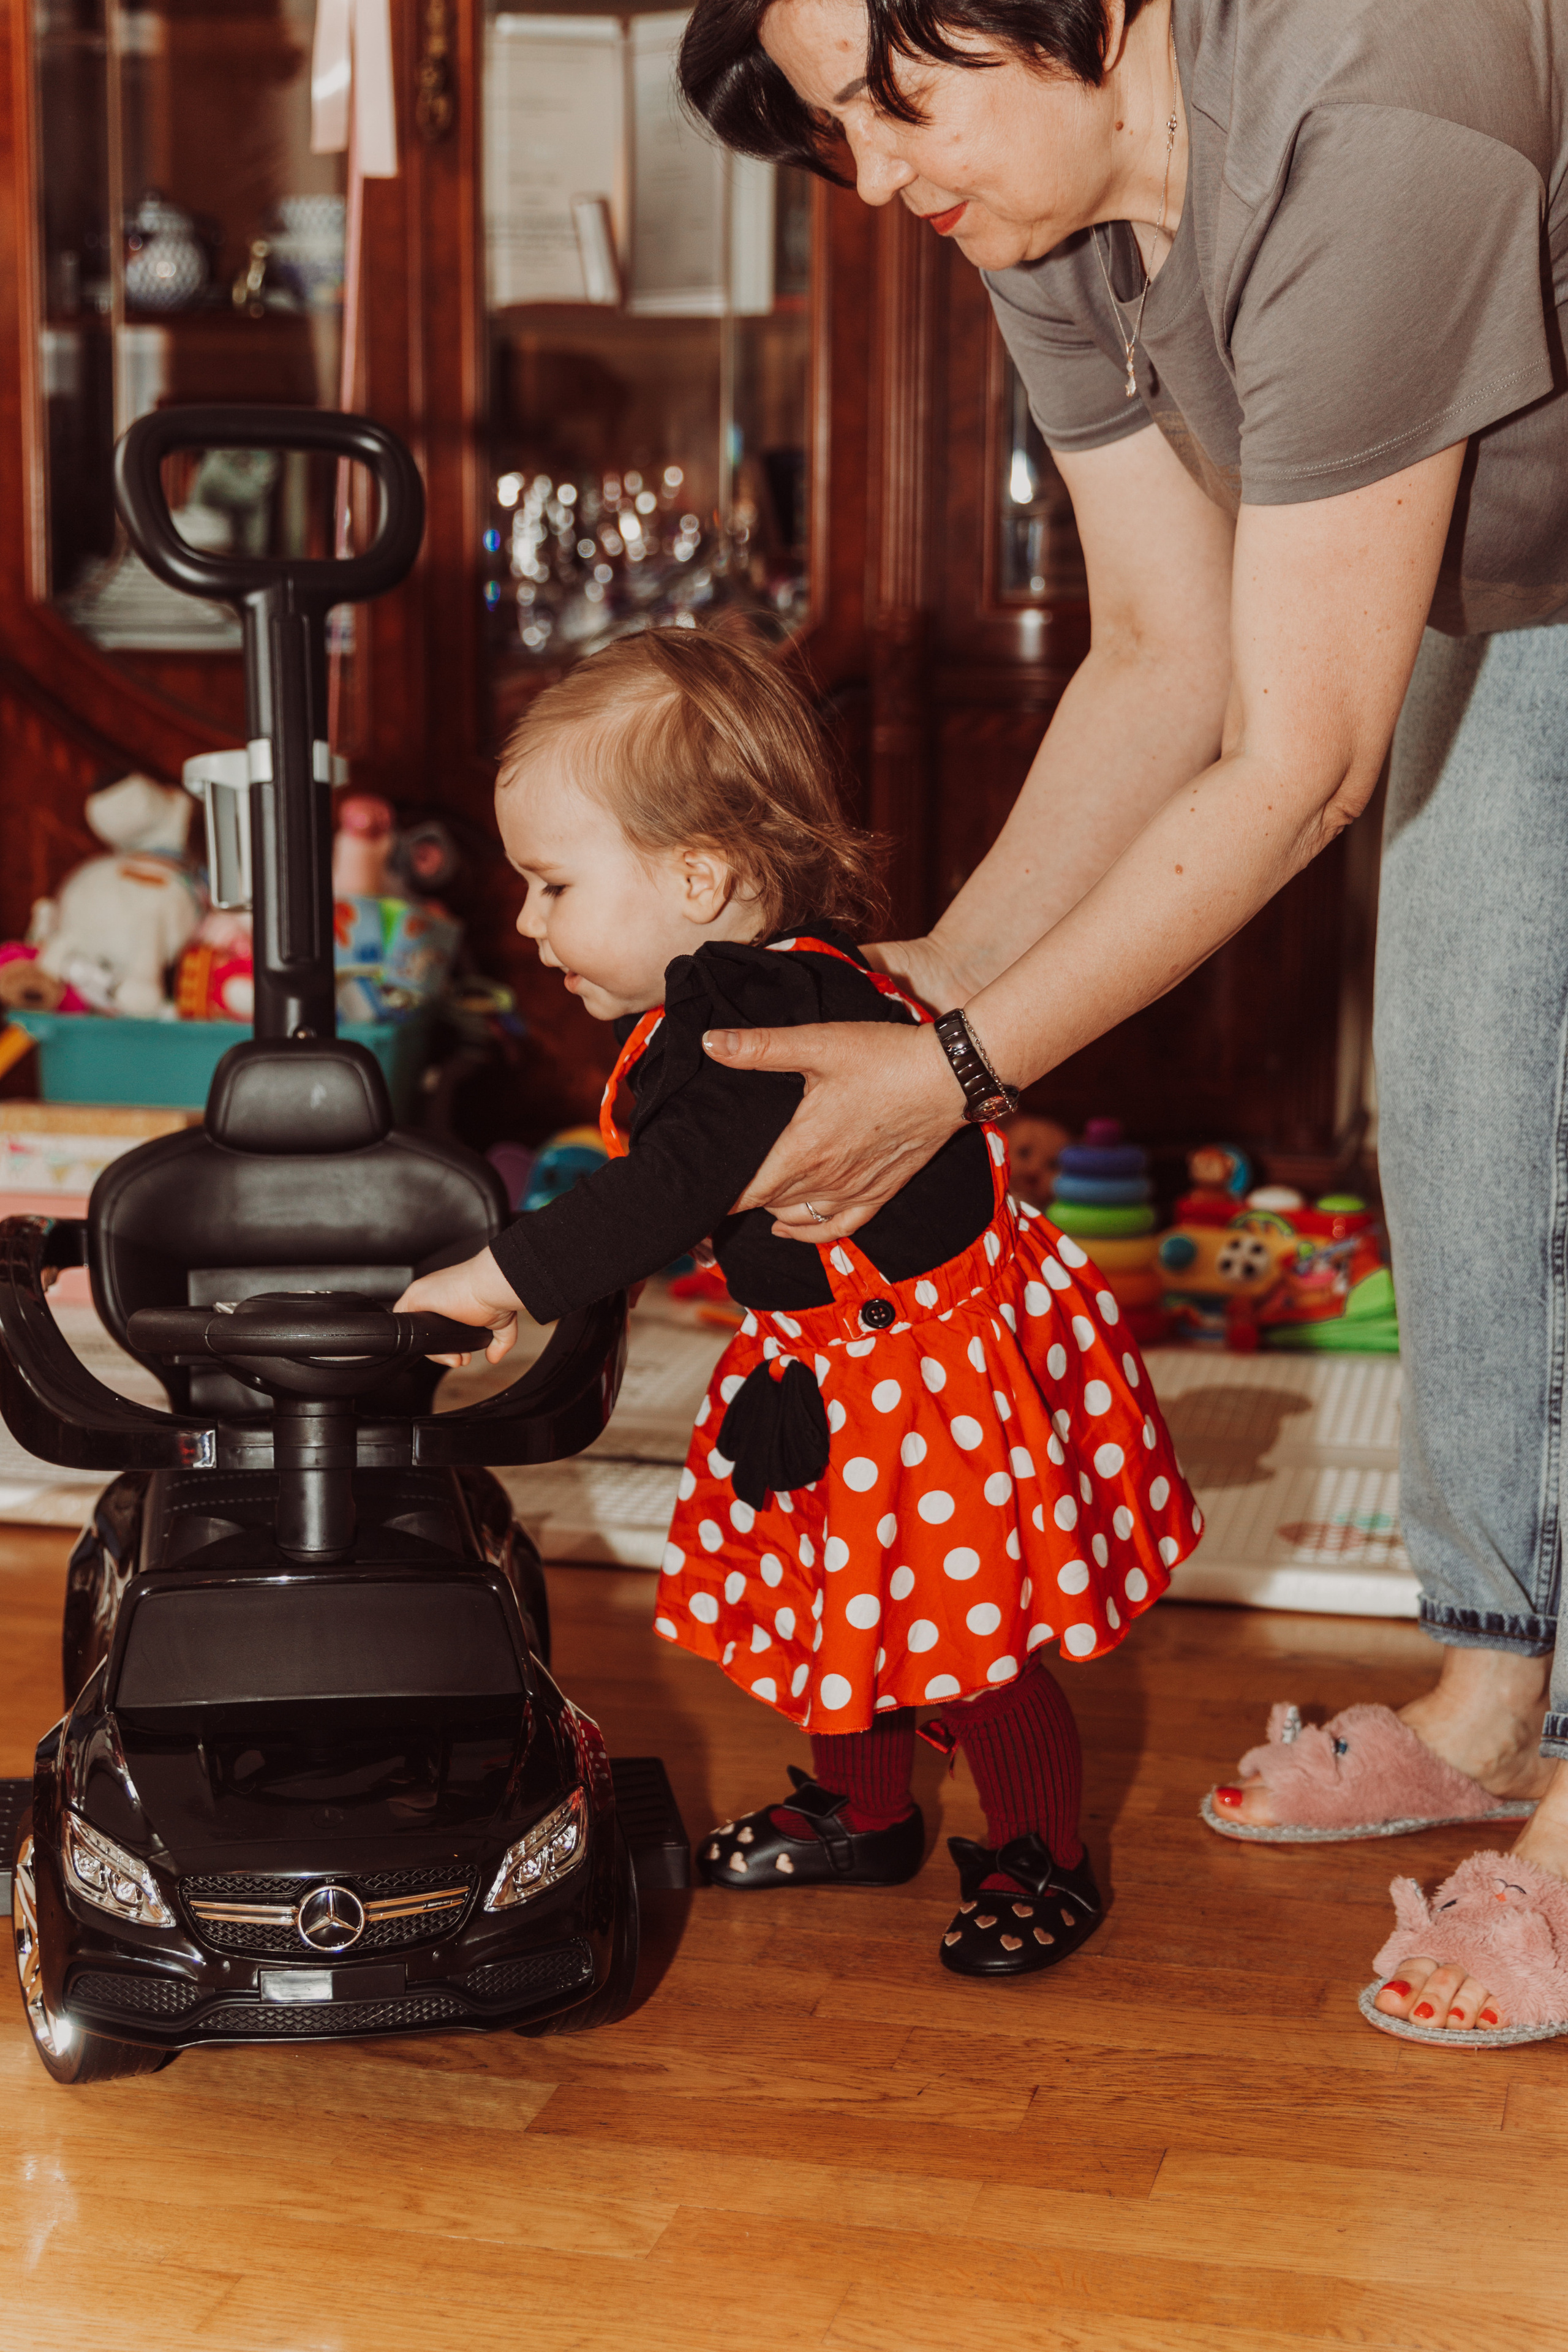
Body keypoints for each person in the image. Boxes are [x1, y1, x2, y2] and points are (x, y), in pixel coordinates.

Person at [673, 0, 1568, 2042]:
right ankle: (1501, 1683)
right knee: (1462, 1095)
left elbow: (1298, 758)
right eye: (845, 130)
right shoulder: (1053, 205)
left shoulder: (1379, 93)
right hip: (1521, 590)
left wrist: (957, 1075)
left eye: (906, 97)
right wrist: (896, 1015)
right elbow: (1160, 655)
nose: (885, 171)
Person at [396, 627, 1197, 1978]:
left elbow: (665, 1192)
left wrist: (500, 1279)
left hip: (917, 1390)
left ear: (697, 876)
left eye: (550, 884)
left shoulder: (749, 1019)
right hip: (825, 1374)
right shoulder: (753, 975)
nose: (526, 923)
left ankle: (1040, 1851)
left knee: (962, 1647)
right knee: (843, 1603)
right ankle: (865, 1810)